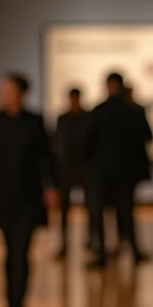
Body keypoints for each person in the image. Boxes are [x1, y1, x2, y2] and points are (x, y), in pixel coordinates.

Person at [0, 73, 58, 307]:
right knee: (10, 250)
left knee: (21, 249)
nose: (3, 94)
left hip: (30, 196)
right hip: (4, 196)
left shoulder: (35, 122)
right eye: (2, 90)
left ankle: (19, 304)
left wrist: (51, 186)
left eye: (8, 90)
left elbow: (46, 157)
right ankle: (11, 299)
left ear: (21, 93)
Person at [85, 72, 153, 268]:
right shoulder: (134, 111)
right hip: (126, 173)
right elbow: (148, 137)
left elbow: (87, 143)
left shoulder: (98, 111)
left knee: (100, 213)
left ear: (107, 86)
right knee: (127, 211)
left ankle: (102, 254)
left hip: (102, 172)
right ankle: (133, 250)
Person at [52, 87, 91, 258]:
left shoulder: (87, 118)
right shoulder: (63, 119)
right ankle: (64, 243)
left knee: (91, 207)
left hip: (84, 168)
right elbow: (57, 143)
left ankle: (91, 239)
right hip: (66, 169)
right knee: (64, 209)